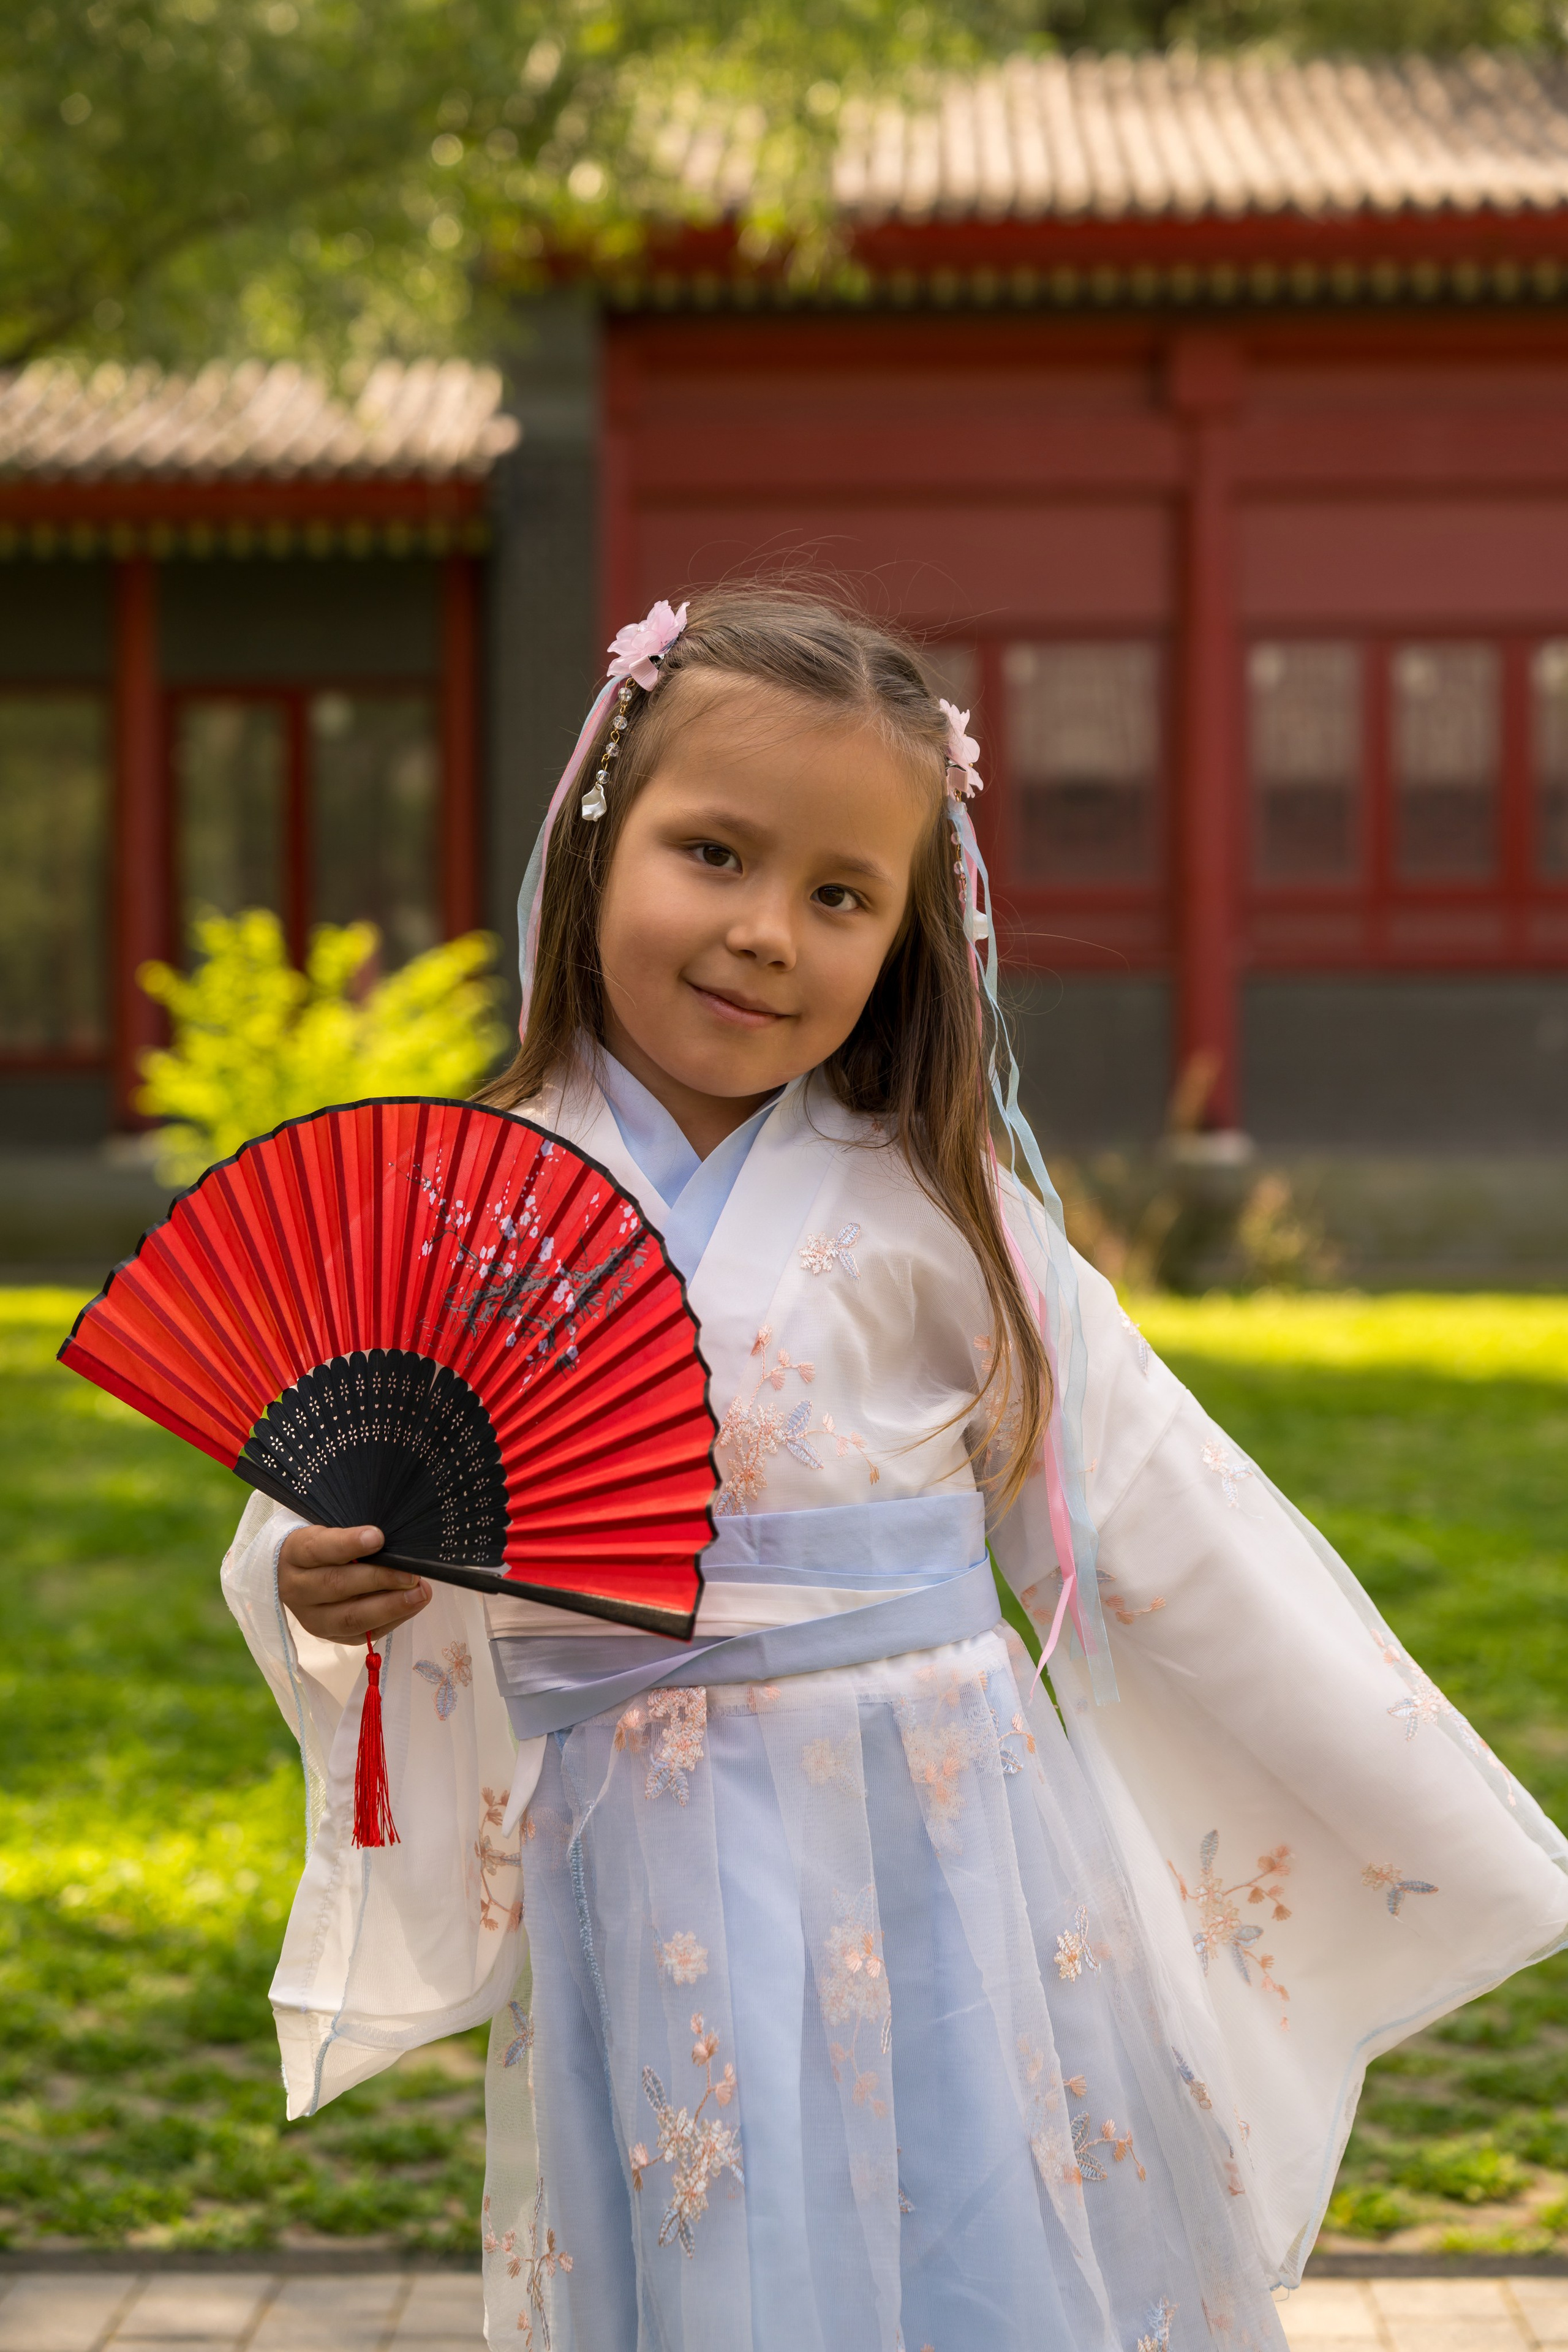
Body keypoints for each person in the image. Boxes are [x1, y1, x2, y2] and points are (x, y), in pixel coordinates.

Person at [223, 586, 1568, 2352]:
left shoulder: (944, 1208)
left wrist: (1412, 1806)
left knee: (972, 2227)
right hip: (638, 1836)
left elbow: (1157, 1510)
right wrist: (322, 1577)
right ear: (602, 834)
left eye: (841, 895)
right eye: (716, 853)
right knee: (707, 2245)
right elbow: (335, 1499)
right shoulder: (464, 1209)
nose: (765, 932)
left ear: (908, 931)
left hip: (940, 1826)